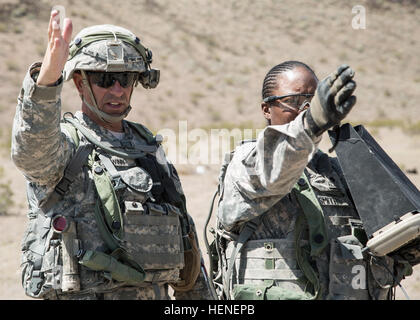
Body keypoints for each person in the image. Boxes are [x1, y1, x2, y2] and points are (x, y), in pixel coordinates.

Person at [12, 10, 212, 300]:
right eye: (105, 79)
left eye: (125, 78)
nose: (117, 89)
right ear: (80, 83)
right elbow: (32, 154)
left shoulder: (147, 145)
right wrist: (46, 83)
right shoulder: (68, 143)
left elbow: (183, 232)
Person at [212, 60, 414, 300]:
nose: (306, 109)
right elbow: (275, 170)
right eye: (296, 102)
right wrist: (311, 123)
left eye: (314, 101)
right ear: (267, 109)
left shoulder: (337, 171)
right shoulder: (249, 162)